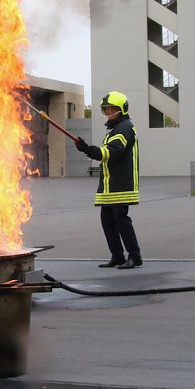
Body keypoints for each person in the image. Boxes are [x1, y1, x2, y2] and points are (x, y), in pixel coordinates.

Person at [74, 91, 142, 269]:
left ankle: (135, 256)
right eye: (106, 109)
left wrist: (87, 149)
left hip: (121, 184)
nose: (108, 112)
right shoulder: (116, 129)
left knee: (121, 220)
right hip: (109, 185)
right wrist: (87, 148)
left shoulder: (125, 129)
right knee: (107, 221)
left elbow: (110, 152)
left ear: (122, 110)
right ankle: (118, 255)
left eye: (111, 109)